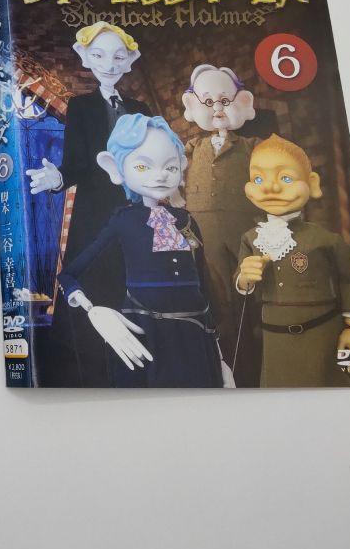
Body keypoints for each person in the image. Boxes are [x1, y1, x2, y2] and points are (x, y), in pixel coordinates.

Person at [58, 114, 226, 388]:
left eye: (170, 167)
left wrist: (220, 356)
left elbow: (204, 286)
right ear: (115, 169)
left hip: (197, 336)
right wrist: (94, 311)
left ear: (181, 166)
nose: (160, 175)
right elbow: (69, 275)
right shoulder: (124, 220)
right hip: (145, 333)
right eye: (142, 166)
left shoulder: (186, 220)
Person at [26, 21, 149, 386]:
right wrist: (58, 179)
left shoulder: (141, 109)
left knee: (134, 281)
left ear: (129, 61)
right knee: (92, 282)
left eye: (118, 57)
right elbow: (76, 163)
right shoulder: (81, 107)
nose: (109, 64)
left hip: (136, 212)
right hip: (94, 214)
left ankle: (136, 363)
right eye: (99, 56)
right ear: (86, 59)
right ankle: (87, 367)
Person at [235, 135, 350, 387]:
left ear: (312, 184)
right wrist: (244, 277)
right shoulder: (251, 239)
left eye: (285, 178)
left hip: (323, 335)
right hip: (275, 339)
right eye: (258, 179)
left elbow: (347, 282)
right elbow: (242, 285)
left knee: (333, 383)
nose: (270, 188)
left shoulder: (325, 239)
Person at [181, 64, 261, 382]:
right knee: (215, 296)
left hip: (244, 231)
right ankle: (223, 364)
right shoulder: (191, 148)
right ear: (194, 105)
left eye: (225, 101)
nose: (217, 108)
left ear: (241, 102)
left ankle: (252, 366)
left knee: (248, 295)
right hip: (203, 233)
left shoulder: (251, 146)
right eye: (209, 101)